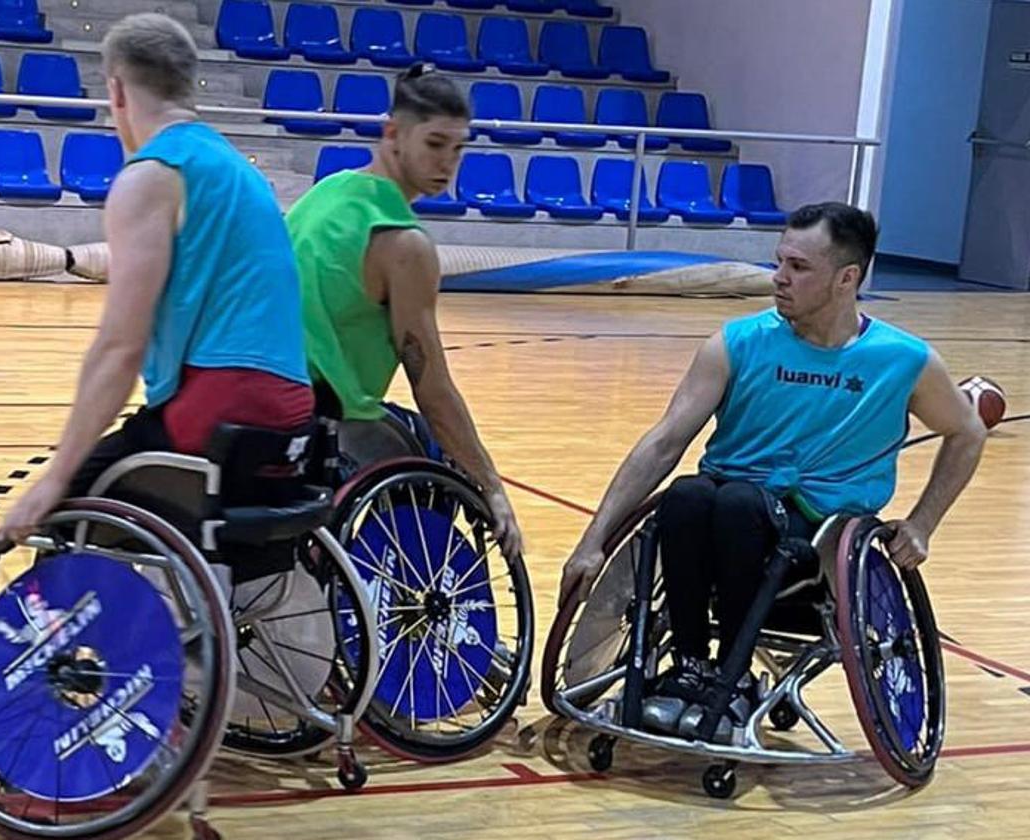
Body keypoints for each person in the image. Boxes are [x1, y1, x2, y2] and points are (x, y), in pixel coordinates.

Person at [559, 202, 987, 730]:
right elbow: (665, 442)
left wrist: (922, 524)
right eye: (779, 261)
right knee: (688, 494)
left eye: (799, 267)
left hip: (819, 533)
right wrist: (593, 540)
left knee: (737, 503)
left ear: (846, 279)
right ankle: (693, 667)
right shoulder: (736, 342)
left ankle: (732, 677)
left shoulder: (904, 360)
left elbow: (967, 432)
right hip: (718, 509)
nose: (778, 278)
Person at [0, 13, 313, 540]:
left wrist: (55, 477)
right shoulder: (236, 168)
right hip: (291, 404)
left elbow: (120, 348)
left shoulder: (152, 176)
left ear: (116, 91)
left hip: (222, 399)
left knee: (70, 507)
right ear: (188, 85)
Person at [284, 63, 522, 558]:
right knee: (439, 458)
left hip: (270, 392)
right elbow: (431, 386)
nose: (448, 163)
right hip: (324, 417)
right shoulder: (404, 245)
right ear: (392, 132)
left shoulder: (329, 190)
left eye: (459, 148)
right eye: (435, 144)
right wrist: (492, 485)